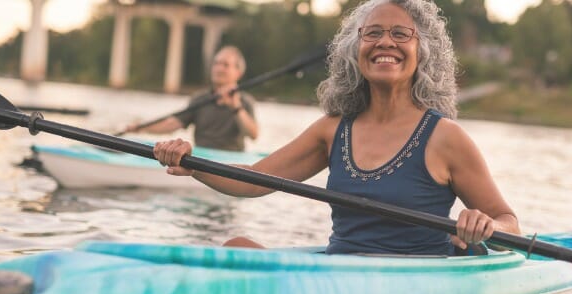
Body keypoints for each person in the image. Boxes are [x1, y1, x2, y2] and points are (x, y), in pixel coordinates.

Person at [153, 0, 521, 255]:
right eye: (372, 33)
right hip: (340, 274)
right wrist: (193, 165)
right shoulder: (332, 131)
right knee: (235, 248)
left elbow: (510, 223)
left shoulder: (446, 137)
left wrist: (486, 225)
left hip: (411, 284)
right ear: (354, 50)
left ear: (423, 51)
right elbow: (252, 179)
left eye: (400, 34)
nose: (385, 42)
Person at [128, 46, 259, 151]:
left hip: (231, 159)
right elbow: (173, 124)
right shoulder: (200, 98)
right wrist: (142, 127)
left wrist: (236, 107)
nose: (219, 68)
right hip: (202, 156)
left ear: (238, 72)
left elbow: (253, 134)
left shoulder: (245, 101)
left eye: (225, 65)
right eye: (216, 63)